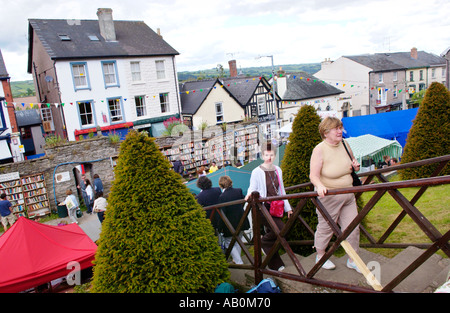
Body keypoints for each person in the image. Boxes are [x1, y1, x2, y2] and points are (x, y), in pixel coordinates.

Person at [309, 116, 361, 272]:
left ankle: (353, 259)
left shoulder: (345, 144)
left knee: (353, 228)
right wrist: (319, 186)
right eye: (336, 128)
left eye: (341, 128)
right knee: (326, 228)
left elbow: (352, 164)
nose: (340, 131)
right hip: (329, 197)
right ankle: (321, 256)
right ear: (326, 132)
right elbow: (313, 175)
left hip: (348, 194)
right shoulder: (319, 149)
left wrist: (355, 166)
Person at [245, 142, 292, 271]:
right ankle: (265, 244)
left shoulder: (278, 170)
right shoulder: (256, 171)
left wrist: (288, 208)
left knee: (279, 231)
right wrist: (249, 195)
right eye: (266, 155)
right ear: (262, 155)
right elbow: (252, 188)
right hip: (263, 207)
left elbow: (281, 190)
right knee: (280, 229)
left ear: (275, 155)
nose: (269, 157)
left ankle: (272, 257)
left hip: (276, 206)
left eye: (271, 155)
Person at [217, 175, 250, 265]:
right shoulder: (238, 191)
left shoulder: (222, 197)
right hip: (241, 220)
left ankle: (239, 262)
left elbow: (222, 214)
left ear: (221, 185)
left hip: (230, 224)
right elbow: (243, 200)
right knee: (238, 240)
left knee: (229, 243)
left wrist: (220, 228)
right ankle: (237, 260)